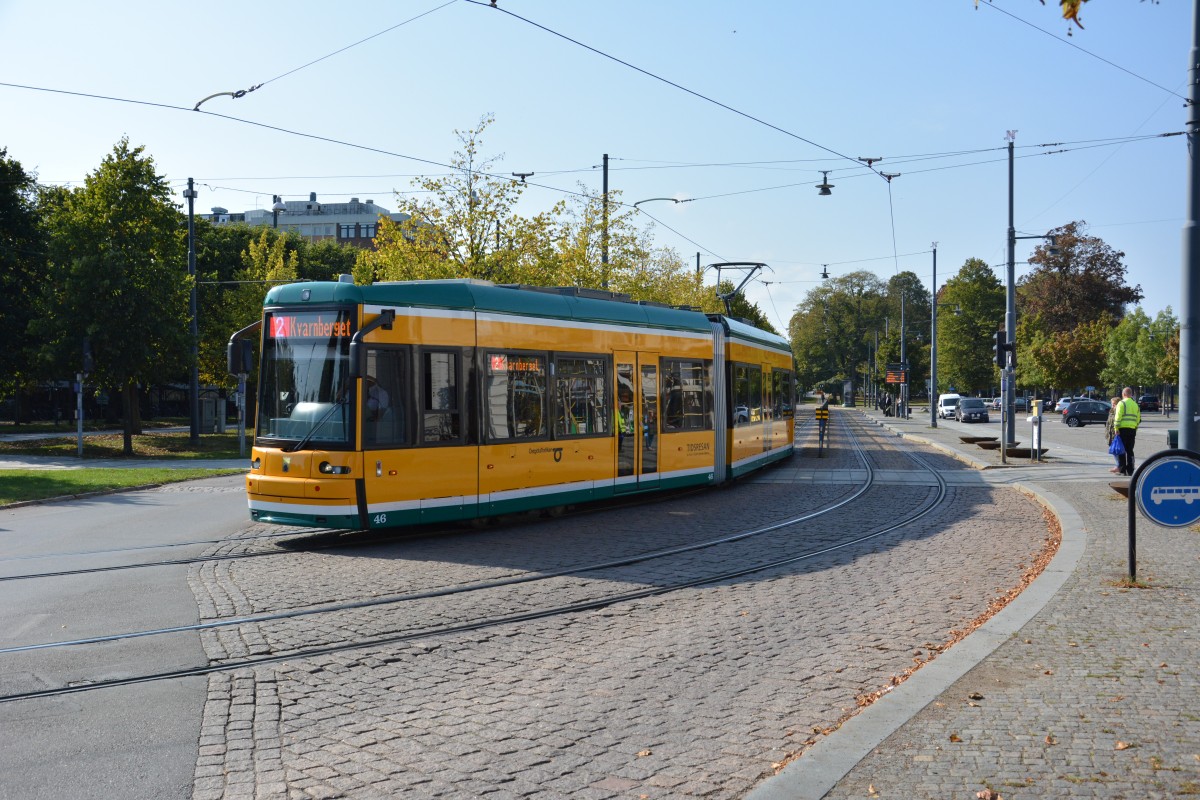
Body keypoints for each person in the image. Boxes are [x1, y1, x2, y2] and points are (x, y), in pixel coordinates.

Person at [1114, 386, 1141, 476]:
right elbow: (1138, 419)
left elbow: (1118, 417)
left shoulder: (1121, 403)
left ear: (1124, 394)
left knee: (1122, 450)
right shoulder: (1135, 404)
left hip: (1122, 429)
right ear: (1131, 394)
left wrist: (1116, 428)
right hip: (1132, 430)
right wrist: (1135, 427)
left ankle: (1122, 470)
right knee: (1130, 450)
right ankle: (1131, 469)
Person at [1104, 396, 1121, 474]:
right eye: (1112, 404)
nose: (1112, 406)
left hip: (1115, 434)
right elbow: (1108, 423)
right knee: (1114, 451)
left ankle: (1118, 466)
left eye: (1114, 404)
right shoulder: (1111, 411)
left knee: (1117, 451)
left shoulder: (1118, 411)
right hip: (1110, 434)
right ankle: (1118, 465)